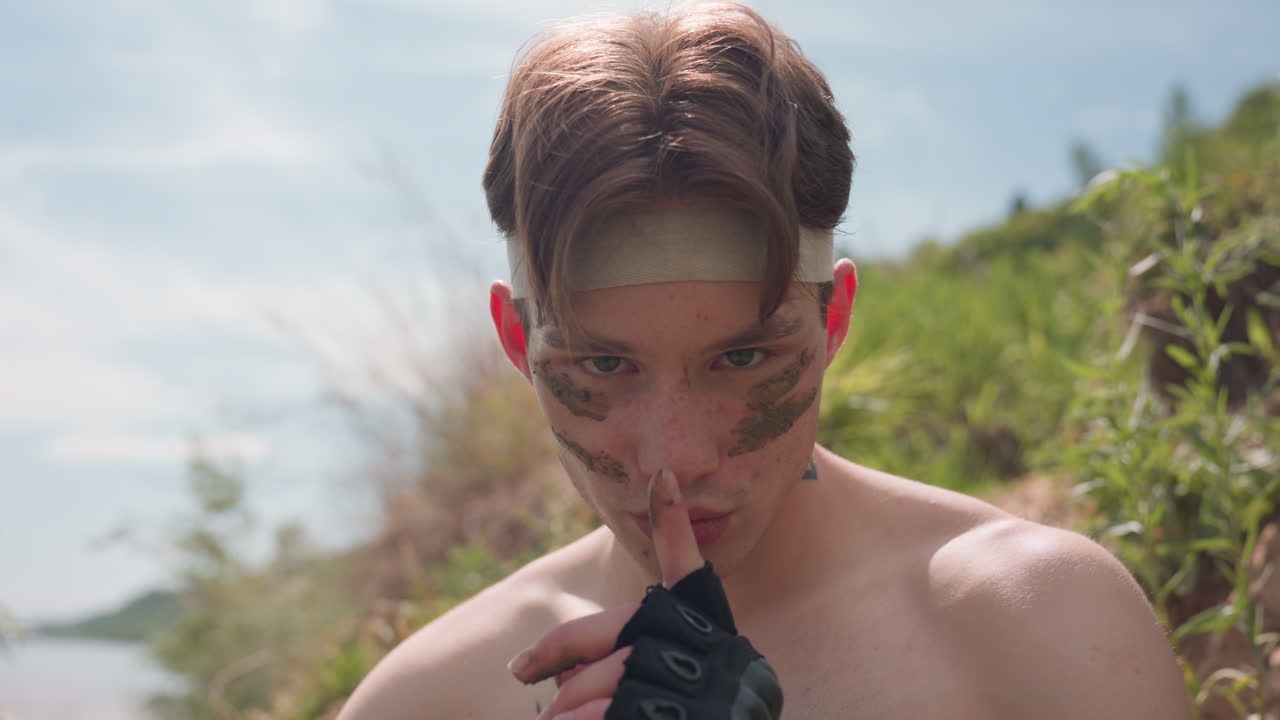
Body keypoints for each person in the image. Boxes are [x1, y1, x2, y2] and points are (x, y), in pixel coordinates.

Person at [339, 3, 1192, 718]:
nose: (674, 460)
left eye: (741, 357)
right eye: (604, 367)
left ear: (834, 320)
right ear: (519, 345)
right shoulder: (425, 701)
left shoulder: (1040, 630)